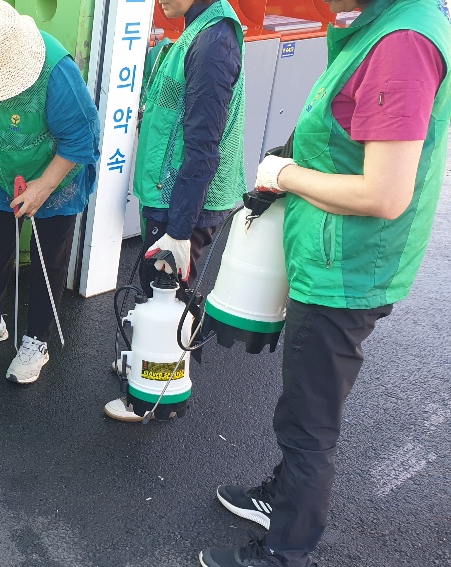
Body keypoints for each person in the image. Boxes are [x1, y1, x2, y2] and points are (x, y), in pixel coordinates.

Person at [201, 1, 450, 565]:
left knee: (308, 419)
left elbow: (385, 195)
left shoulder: (401, 44)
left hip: (346, 268)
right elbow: (345, 129)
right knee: (305, 402)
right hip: (338, 254)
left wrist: (285, 174)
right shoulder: (387, 25)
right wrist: (287, 163)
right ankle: (282, 499)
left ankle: (285, 550)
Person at [0, 0, 101, 385]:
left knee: (48, 260)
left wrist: (44, 186)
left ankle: (37, 341)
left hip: (56, 174)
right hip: (1, 171)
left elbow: (82, 139)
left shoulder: (56, 71)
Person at [104, 0, 246, 421]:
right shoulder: (195, 29)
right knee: (154, 293)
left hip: (185, 203)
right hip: (169, 194)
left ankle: (150, 399)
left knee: (168, 299)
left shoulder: (213, 41)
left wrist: (180, 232)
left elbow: (203, 146)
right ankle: (143, 364)